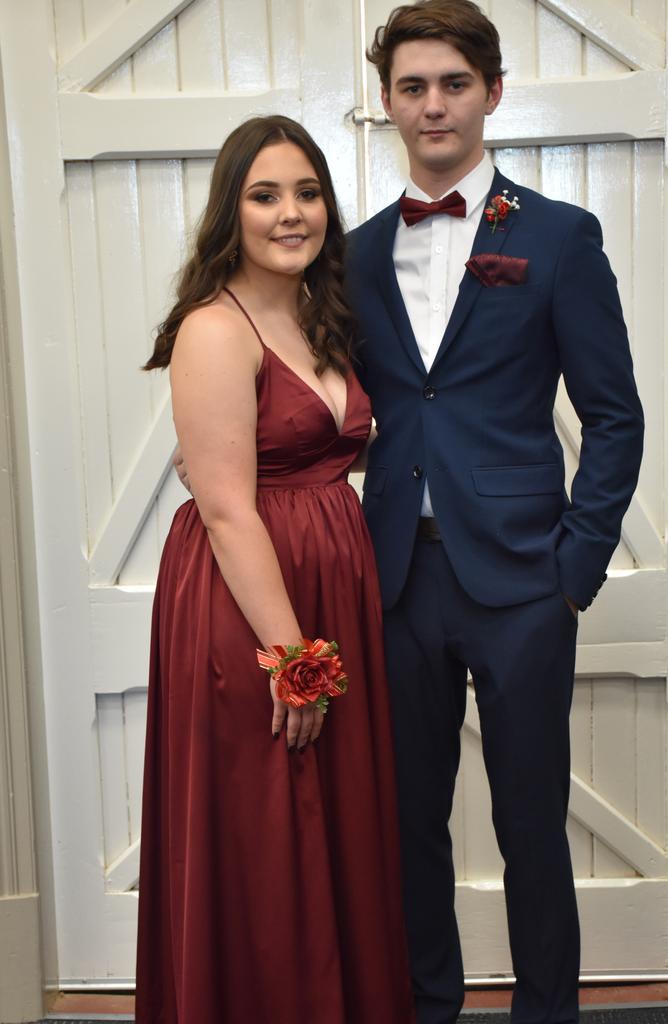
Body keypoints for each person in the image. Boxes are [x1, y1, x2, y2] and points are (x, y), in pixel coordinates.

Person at [344, 2, 645, 1023]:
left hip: (523, 580)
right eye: (414, 87)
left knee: (529, 824)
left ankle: (545, 1012)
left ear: (493, 94)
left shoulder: (558, 237)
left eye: (454, 84)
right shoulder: (351, 253)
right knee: (408, 824)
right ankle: (429, 1006)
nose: (434, 105)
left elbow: (613, 416)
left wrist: (575, 569)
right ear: (387, 103)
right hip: (395, 580)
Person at [135, 115, 415, 1024]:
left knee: (327, 821)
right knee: (269, 830)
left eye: (307, 192)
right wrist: (293, 659)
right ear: (231, 211)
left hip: (330, 582)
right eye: (265, 195)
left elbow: (323, 443)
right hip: (255, 609)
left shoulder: (317, 313)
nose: (291, 213)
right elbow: (225, 506)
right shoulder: (216, 328)